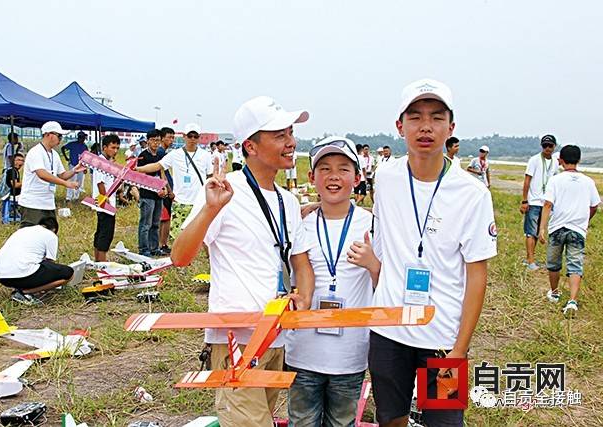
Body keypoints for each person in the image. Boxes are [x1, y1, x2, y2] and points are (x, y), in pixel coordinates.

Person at [172, 96, 315, 427]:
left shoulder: (288, 201)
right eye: (280, 135)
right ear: (250, 146)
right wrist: (210, 209)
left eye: (290, 133)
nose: (291, 142)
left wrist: (303, 296)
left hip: (277, 337)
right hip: (237, 341)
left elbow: (301, 263)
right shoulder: (226, 192)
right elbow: (180, 257)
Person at [369, 78, 497, 427]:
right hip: (388, 332)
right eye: (415, 117)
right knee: (390, 418)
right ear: (400, 126)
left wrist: (459, 348)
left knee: (444, 422)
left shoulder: (472, 194)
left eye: (437, 117)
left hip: (442, 337)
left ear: (451, 127)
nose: (426, 126)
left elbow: (477, 274)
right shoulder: (385, 178)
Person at [285, 136, 378, 427]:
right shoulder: (299, 223)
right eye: (324, 168)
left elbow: (387, 287)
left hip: (350, 354)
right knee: (302, 421)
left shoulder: (373, 224)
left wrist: (373, 265)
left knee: (342, 421)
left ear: (358, 176)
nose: (334, 176)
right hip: (302, 351)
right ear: (312, 177)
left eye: (343, 168)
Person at [538, 145, 600, 316]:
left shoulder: (555, 180)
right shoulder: (588, 181)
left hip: (558, 227)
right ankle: (572, 301)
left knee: (554, 263)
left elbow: (548, 204)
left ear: (561, 161)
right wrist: (584, 220)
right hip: (577, 230)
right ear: (579, 160)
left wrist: (542, 228)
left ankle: (555, 292)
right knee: (575, 265)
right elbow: (594, 206)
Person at [136, 123, 213, 239]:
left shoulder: (206, 155)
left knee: (200, 236)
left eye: (195, 136)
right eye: (190, 136)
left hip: (198, 202)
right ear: (184, 136)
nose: (192, 139)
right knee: (178, 236)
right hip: (179, 202)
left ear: (199, 137)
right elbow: (157, 166)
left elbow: (210, 177)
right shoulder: (175, 155)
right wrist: (137, 169)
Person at [0, 217, 74, 305]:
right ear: (54, 229)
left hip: (1, 276)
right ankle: (26, 292)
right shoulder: (51, 235)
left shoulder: (21, 231)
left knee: (36, 266)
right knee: (68, 273)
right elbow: (50, 262)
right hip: (23, 274)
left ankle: (21, 288)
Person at [18, 121, 85, 228]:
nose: (60, 139)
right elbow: (42, 174)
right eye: (59, 136)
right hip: (32, 203)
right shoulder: (35, 152)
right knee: (31, 236)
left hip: (48, 202)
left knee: (50, 232)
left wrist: (74, 170)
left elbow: (62, 174)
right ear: (48, 135)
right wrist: (66, 184)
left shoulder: (54, 154)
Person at [520, 134, 560, 271]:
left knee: (537, 232)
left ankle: (529, 258)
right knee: (530, 232)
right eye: (545, 146)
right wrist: (525, 200)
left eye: (550, 146)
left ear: (554, 146)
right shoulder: (534, 160)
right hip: (534, 202)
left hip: (546, 203)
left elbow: (555, 182)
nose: (547, 148)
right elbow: (527, 181)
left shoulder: (555, 162)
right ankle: (531, 261)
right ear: (542, 146)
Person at [137, 129, 167, 257]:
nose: (156, 143)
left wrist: (164, 188)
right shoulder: (143, 155)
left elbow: (162, 173)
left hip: (159, 193)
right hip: (147, 193)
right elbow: (140, 175)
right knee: (145, 223)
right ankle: (144, 249)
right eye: (153, 140)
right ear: (148, 140)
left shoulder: (160, 156)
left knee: (155, 223)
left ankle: (154, 248)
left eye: (158, 140)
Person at [91, 134, 121, 262]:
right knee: (105, 234)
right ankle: (102, 263)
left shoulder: (107, 163)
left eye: (117, 148)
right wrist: (106, 199)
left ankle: (98, 260)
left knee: (101, 231)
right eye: (112, 147)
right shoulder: (101, 163)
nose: (115, 151)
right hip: (104, 202)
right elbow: (100, 183)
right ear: (104, 147)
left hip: (104, 202)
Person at [157, 127, 176, 255]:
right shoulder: (160, 153)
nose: (171, 140)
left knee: (164, 217)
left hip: (166, 187)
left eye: (173, 137)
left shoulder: (164, 152)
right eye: (169, 137)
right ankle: (162, 244)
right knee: (165, 218)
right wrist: (168, 189)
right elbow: (162, 173)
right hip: (164, 189)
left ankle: (161, 243)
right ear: (162, 138)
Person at [61, 131, 89, 202]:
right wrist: (66, 157)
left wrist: (85, 168)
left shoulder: (85, 147)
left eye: (83, 138)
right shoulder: (72, 144)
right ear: (78, 137)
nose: (82, 139)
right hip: (73, 164)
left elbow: (86, 158)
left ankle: (76, 197)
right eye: (81, 137)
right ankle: (68, 198)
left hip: (81, 166)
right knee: (71, 181)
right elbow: (63, 148)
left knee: (79, 182)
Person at [0, 153, 24, 223]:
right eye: (18, 160)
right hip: (11, 195)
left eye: (22, 160)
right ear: (14, 161)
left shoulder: (12, 170)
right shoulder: (13, 171)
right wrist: (26, 183)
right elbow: (14, 185)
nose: (21, 162)